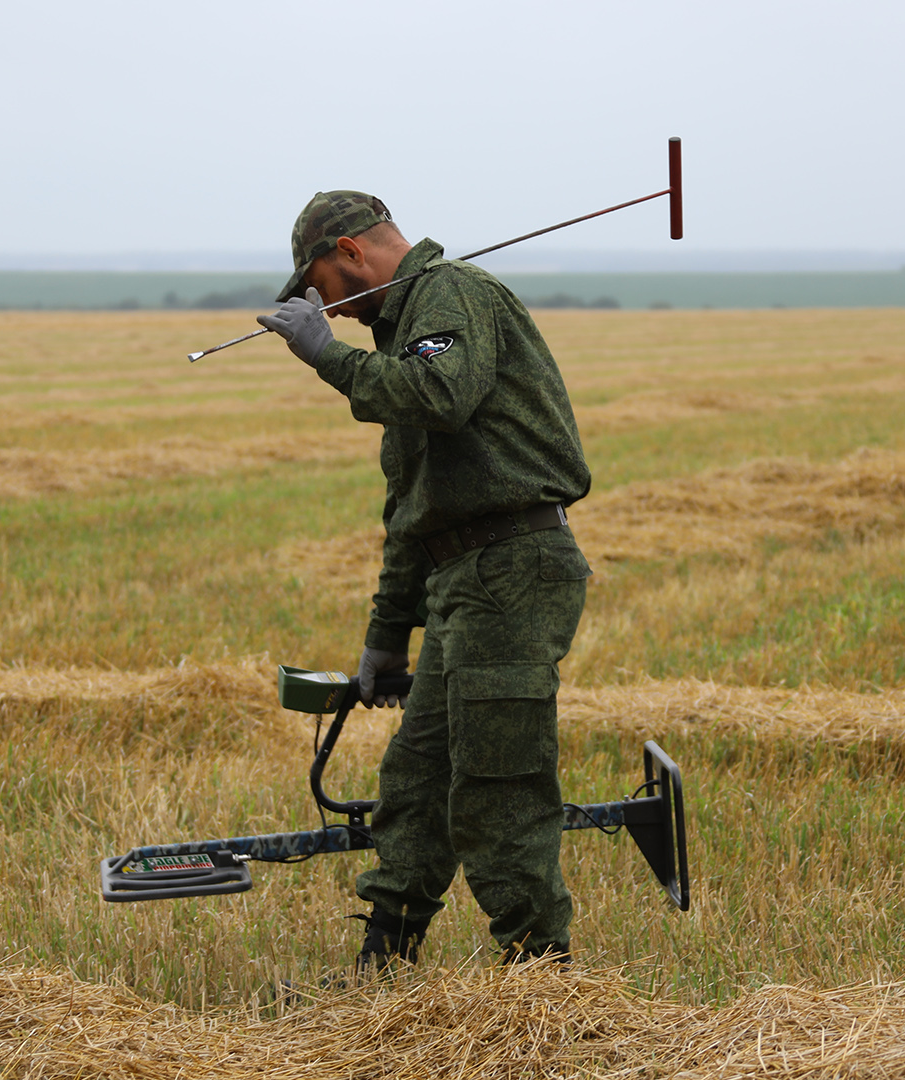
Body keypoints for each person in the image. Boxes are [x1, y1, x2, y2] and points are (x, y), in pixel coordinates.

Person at [255, 191, 593, 969]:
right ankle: (383, 969)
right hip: (461, 579)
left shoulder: (453, 296)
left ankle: (543, 984)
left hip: (511, 572)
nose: (327, 313)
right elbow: (415, 506)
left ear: (350, 252)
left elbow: (441, 397)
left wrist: (327, 360)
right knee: (416, 780)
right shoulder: (406, 338)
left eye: (323, 292)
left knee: (496, 786)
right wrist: (385, 635)